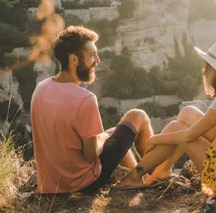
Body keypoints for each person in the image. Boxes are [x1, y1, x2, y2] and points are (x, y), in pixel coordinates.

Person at [114, 39, 216, 197]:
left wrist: (155, 139)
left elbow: (189, 135)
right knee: (188, 112)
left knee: (177, 129)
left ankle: (136, 176)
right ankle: (162, 171)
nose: (203, 70)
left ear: (214, 71)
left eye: (206, 66)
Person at [31, 25, 153, 194]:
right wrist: (103, 137)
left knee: (112, 133)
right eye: (92, 55)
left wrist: (104, 136)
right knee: (138, 116)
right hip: (83, 183)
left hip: (52, 185)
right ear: (74, 60)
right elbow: (91, 154)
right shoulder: (85, 99)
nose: (98, 60)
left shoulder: (40, 89)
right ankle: (155, 175)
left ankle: (136, 178)